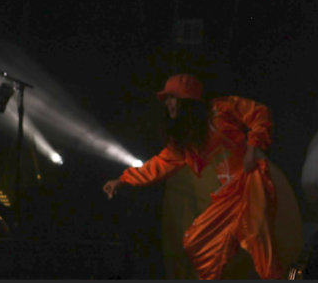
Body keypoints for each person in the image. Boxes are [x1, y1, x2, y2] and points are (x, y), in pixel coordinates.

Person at [103, 74, 282, 280]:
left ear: (186, 99)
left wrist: (252, 148)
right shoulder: (188, 139)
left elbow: (259, 112)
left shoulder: (220, 110)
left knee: (257, 235)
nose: (167, 103)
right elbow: (159, 164)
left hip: (250, 179)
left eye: (171, 98)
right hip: (229, 194)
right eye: (166, 99)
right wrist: (123, 180)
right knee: (197, 243)